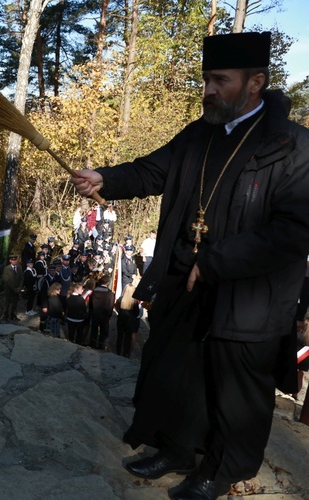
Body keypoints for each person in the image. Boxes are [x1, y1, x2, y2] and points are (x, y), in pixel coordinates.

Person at [70, 32, 309, 499]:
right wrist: (105, 178)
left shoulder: (294, 146)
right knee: (176, 371)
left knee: (234, 391)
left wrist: (217, 261)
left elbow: (294, 231)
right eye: (206, 79)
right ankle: (176, 449)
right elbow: (152, 170)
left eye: (220, 80)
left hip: (249, 294)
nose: (208, 90)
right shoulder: (200, 132)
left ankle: (218, 472)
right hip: (186, 278)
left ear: (256, 82)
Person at [88, 275, 114, 350]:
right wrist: (109, 316)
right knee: (103, 331)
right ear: (108, 283)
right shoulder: (110, 293)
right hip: (105, 316)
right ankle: (101, 346)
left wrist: (91, 312)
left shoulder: (94, 291)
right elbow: (110, 306)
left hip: (95, 314)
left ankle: (92, 344)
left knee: (94, 330)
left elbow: (90, 303)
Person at [115, 284, 141, 358]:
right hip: (130, 322)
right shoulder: (134, 301)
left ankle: (118, 352)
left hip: (121, 320)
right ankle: (126, 353)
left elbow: (117, 308)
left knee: (119, 336)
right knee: (127, 338)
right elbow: (137, 313)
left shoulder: (120, 299)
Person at [1, 254, 23, 322]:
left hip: (17, 289)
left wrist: (20, 287)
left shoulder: (19, 267)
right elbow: (6, 280)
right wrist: (13, 288)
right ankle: (5, 316)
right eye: (13, 260)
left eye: (15, 260)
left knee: (15, 303)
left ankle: (13, 315)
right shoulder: (7, 268)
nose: (14, 261)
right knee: (7, 303)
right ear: (10, 261)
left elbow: (22, 278)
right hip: (9, 289)